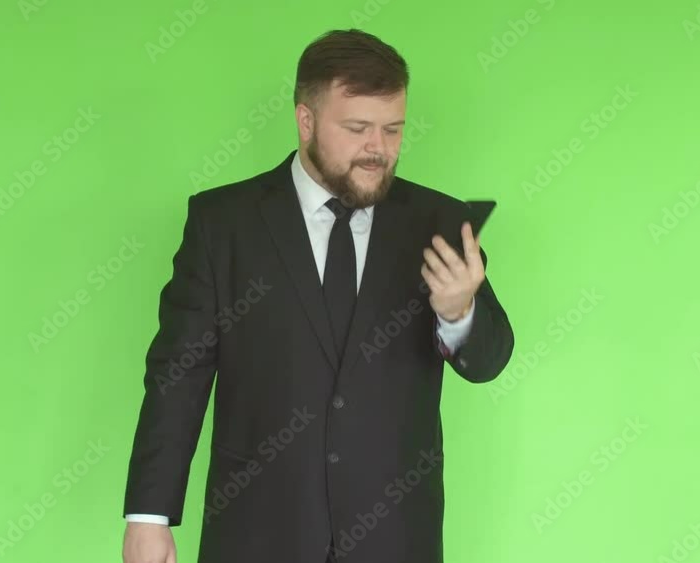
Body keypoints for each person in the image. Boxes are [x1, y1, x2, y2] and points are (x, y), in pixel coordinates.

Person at [121, 28, 515, 563]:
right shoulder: (223, 224)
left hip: (395, 537)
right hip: (257, 532)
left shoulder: (438, 223)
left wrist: (459, 313)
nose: (378, 148)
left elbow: (488, 361)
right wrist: (149, 517)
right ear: (305, 120)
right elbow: (178, 374)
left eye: (393, 130)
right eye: (357, 129)